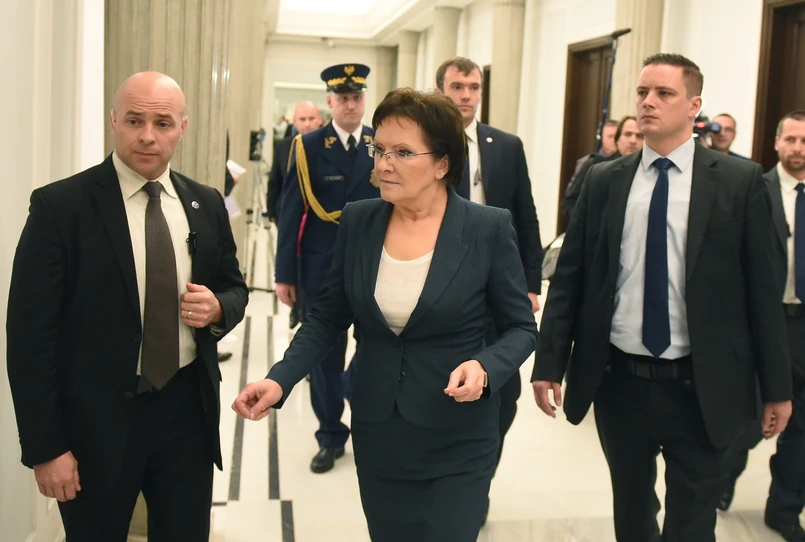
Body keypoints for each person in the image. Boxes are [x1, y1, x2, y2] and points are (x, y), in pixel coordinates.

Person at [233, 88, 537, 541]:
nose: (383, 164)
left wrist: (485, 365)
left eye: (403, 153)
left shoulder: (486, 228)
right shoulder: (359, 221)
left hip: (457, 435)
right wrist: (280, 379)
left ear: (442, 164)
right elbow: (327, 317)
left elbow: (520, 328)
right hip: (379, 430)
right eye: (379, 149)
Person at [532, 53, 792, 542]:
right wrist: (549, 363)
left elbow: (763, 292)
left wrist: (777, 386)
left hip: (703, 384)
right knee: (632, 512)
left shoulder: (739, 182)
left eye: (664, 93)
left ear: (694, 105)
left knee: (691, 523)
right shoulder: (604, 180)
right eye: (642, 92)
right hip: (621, 382)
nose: (648, 102)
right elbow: (571, 279)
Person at [5, 71, 248, 541]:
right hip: (95, 426)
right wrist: (45, 447)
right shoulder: (62, 207)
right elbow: (29, 337)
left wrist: (219, 307)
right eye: (135, 121)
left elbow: (234, 288)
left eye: (162, 123)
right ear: (114, 121)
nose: (147, 136)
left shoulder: (205, 203)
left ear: (182, 127)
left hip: (187, 415)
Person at [434, 55, 542, 518]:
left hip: (497, 283)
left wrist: (531, 283)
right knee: (445, 384)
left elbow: (526, 215)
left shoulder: (506, 146)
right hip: (439, 283)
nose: (466, 95)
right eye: (457, 86)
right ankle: (447, 481)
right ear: (440, 90)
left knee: (503, 392)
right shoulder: (424, 144)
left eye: (474, 87)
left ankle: (479, 481)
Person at [274, 63, 380, 474]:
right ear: (329, 102)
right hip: (322, 266)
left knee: (377, 348)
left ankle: (365, 416)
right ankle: (330, 435)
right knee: (323, 356)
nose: (351, 105)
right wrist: (285, 274)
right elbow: (291, 213)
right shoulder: (307, 146)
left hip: (374, 262)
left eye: (357, 97)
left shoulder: (380, 142)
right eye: (343, 98)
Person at [719, 110, 805, 541]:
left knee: (802, 431)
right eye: (791, 139)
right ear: (776, 143)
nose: (798, 148)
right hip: (765, 324)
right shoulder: (756, 188)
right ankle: (720, 480)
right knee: (751, 420)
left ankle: (784, 510)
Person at [562, 115, 644, 217]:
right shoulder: (596, 167)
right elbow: (569, 204)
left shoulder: (648, 173)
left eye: (639, 136)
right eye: (628, 134)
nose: (633, 140)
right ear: (617, 140)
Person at [267, 101, 323, 222]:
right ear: (294, 121)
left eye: (311, 119)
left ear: (319, 119)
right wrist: (271, 211)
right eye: (302, 119)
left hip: (321, 214)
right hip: (287, 212)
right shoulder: (283, 146)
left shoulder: (329, 145)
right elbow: (275, 180)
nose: (307, 124)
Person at [567, 120, 620, 190]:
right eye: (610, 136)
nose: (614, 140)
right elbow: (572, 192)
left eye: (616, 136)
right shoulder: (587, 162)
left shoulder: (624, 163)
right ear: (602, 138)